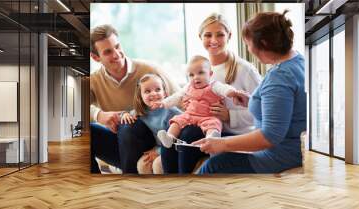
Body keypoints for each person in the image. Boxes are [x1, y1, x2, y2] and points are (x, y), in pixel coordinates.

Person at [192, 10, 306, 174]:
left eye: (248, 43)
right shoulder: (297, 60)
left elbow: (269, 137)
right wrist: (251, 100)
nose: (249, 49)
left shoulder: (279, 78)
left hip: (279, 155)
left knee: (213, 166)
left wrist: (222, 144)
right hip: (292, 149)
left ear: (264, 44)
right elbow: (282, 105)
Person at [160, 13, 262, 174]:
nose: (213, 40)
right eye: (208, 35)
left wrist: (230, 115)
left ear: (229, 35)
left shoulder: (245, 70)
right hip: (202, 124)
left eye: (220, 34)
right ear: (200, 37)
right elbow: (188, 99)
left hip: (234, 133)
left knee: (189, 133)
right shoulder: (198, 69)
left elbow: (263, 111)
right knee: (171, 127)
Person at [90, 24, 179, 173]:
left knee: (128, 125)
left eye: (118, 46)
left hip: (154, 138)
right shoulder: (94, 81)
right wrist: (98, 115)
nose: (117, 54)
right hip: (120, 144)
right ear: (95, 57)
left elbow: (181, 98)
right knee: (90, 133)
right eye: (108, 52)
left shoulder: (151, 70)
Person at [155, 56, 244, 148]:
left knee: (214, 124)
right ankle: (169, 137)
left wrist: (231, 92)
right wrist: (164, 103)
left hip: (208, 116)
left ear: (210, 74)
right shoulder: (188, 87)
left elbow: (224, 89)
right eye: (191, 75)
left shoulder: (214, 86)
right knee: (177, 121)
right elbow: (177, 96)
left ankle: (211, 139)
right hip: (190, 115)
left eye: (200, 73)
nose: (196, 77)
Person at [120, 74, 181, 174]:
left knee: (158, 164)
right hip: (157, 146)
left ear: (165, 93)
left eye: (157, 89)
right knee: (142, 164)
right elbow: (128, 114)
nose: (153, 93)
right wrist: (124, 114)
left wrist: (158, 152)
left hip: (172, 147)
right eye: (147, 91)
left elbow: (180, 135)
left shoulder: (171, 111)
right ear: (141, 96)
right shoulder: (142, 112)